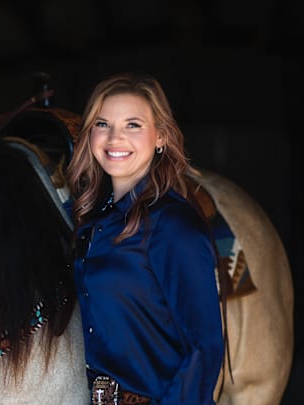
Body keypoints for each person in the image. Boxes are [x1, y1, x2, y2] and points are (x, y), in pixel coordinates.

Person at [66, 73, 224, 405]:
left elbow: (203, 347)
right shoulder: (90, 222)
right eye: (102, 124)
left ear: (161, 137)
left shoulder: (173, 225)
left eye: (133, 125)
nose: (114, 138)